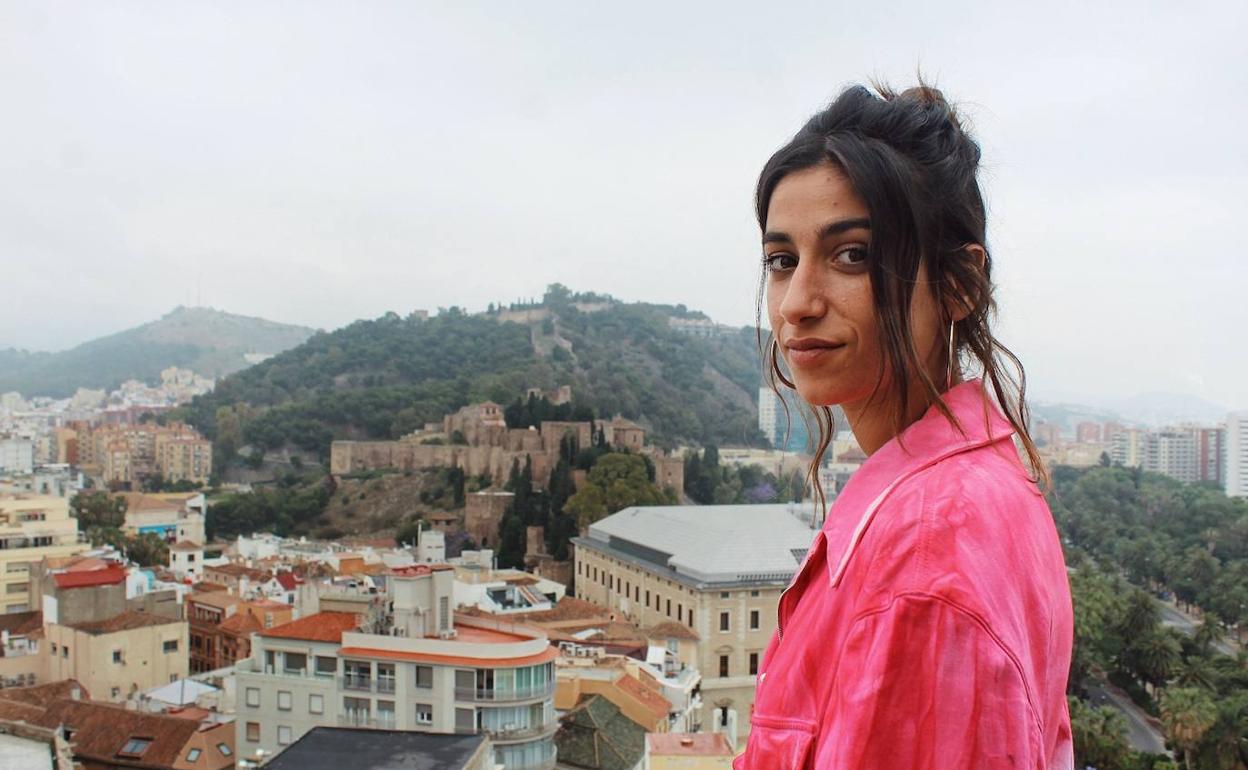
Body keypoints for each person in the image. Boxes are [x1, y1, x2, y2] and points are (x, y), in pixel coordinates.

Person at [733, 83, 1074, 769]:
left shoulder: (927, 560)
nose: (797, 303)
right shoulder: (981, 489)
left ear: (959, 284)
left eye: (852, 254)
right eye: (782, 260)